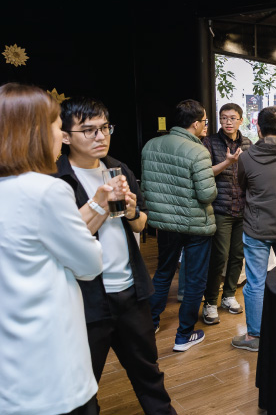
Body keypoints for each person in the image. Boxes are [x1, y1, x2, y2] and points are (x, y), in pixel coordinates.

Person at [0, 83, 103, 415]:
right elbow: (90, 264)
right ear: (36, 134)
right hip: (43, 367)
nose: (60, 135)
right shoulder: (46, 191)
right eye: (57, 126)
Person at [56, 97, 175, 415]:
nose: (100, 136)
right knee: (83, 389)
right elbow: (66, 240)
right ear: (65, 136)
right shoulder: (57, 179)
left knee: (149, 374)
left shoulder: (118, 169)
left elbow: (141, 223)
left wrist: (133, 211)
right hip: (85, 300)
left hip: (131, 293)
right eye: (89, 130)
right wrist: (99, 203)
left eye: (105, 128)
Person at [141, 99, 217, 352]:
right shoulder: (198, 151)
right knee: (194, 280)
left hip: (164, 223)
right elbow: (206, 194)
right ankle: (184, 335)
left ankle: (151, 323)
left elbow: (147, 187)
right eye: (205, 121)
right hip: (195, 225)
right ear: (195, 124)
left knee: (163, 272)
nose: (205, 125)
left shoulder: (151, 146)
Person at [231, 107, 276, 352]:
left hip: (257, 230)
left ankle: (255, 336)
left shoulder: (246, 158)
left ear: (259, 130)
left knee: (256, 283)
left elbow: (242, 184)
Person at [200, 103, 253, 325]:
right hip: (220, 208)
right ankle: (210, 302)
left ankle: (229, 295)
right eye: (223, 118)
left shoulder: (248, 143)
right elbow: (205, 173)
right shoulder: (210, 142)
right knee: (219, 256)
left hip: (242, 207)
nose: (227, 122)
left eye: (232, 118)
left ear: (241, 120)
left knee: (237, 255)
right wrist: (227, 162)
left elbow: (252, 173)